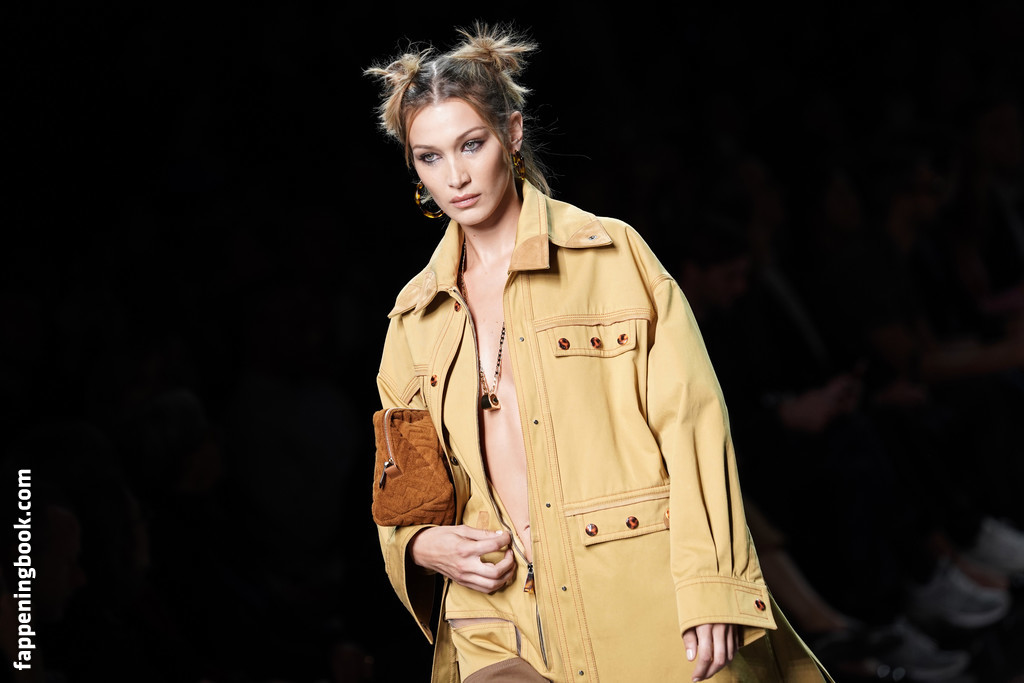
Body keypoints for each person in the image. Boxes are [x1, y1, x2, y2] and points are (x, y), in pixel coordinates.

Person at [365, 24, 829, 683]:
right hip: (496, 615)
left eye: (471, 144)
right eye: (430, 157)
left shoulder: (612, 256)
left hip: (635, 592)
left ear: (512, 134)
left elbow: (691, 422)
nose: (456, 176)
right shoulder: (414, 317)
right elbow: (406, 491)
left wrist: (712, 581)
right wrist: (419, 542)